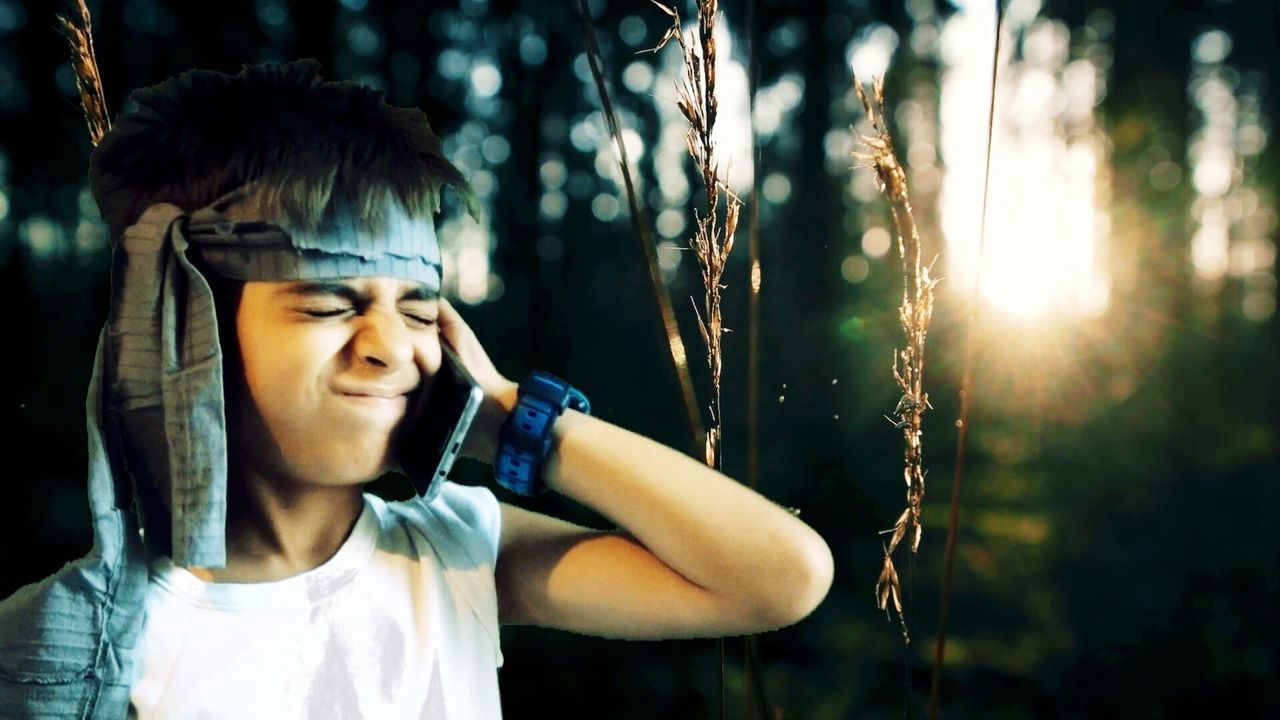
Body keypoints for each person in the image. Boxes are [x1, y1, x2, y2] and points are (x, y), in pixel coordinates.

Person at [0, 60, 833, 718]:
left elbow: (778, 576)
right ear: (188, 330)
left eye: (420, 308)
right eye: (329, 303)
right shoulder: (60, 650)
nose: (390, 347)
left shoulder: (456, 549)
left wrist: (513, 420)